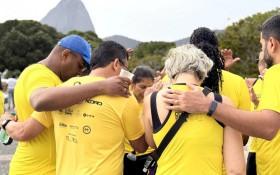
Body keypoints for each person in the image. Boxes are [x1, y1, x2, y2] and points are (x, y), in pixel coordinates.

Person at [2, 40, 148, 175]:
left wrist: (6, 122)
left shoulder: (60, 93)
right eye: (125, 68)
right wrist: (149, 103)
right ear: (116, 64)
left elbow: (24, 131)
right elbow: (141, 146)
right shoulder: (123, 97)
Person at [162, 14, 280, 175]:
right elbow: (244, 138)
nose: (262, 50)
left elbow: (268, 126)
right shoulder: (237, 82)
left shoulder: (168, 82)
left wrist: (208, 105)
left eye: (262, 45)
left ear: (272, 44)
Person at [143, 44, 245, 174]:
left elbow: (152, 143)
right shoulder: (222, 103)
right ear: (204, 72)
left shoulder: (152, 100)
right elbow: (236, 171)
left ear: (170, 72)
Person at [189, 27, 251, 144]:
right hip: (227, 160)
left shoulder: (172, 81)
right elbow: (243, 137)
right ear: (216, 49)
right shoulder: (237, 82)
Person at [123, 66, 158, 175]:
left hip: (149, 156)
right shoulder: (124, 101)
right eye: (142, 87)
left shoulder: (156, 102)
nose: (146, 91)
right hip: (126, 155)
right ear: (132, 84)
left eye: (150, 87)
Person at [245, 51, 266, 175]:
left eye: (266, 62)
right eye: (260, 62)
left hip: (273, 150)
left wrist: (257, 103)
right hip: (254, 149)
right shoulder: (254, 85)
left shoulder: (275, 84)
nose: (263, 67)